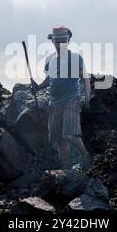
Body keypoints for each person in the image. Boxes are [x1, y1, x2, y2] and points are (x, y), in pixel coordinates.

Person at [31, 25, 92, 171]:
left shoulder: (76, 58)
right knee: (60, 140)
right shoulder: (50, 60)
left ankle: (85, 154)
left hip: (71, 100)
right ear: (52, 42)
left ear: (68, 40)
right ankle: (66, 172)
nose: (59, 44)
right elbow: (49, 80)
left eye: (63, 41)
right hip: (54, 102)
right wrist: (38, 86)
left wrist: (87, 98)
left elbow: (85, 78)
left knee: (69, 134)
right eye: (56, 41)